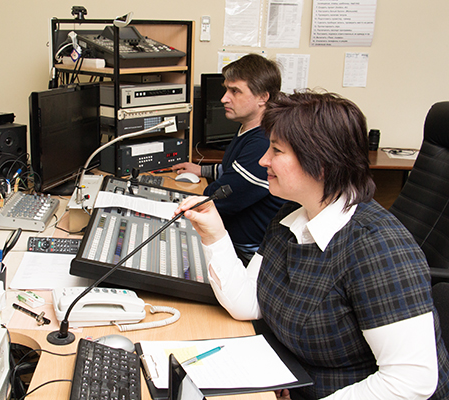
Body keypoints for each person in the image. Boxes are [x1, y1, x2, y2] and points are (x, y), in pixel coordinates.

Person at [175, 91, 449, 399]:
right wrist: (215, 234)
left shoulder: (377, 248)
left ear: (320, 163)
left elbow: (410, 381)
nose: (264, 159)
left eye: (276, 150)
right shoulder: (291, 213)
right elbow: (248, 302)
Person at [172, 54, 285, 263]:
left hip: (248, 253)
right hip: (234, 237)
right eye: (226, 89)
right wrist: (202, 170)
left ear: (263, 97)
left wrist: (184, 201)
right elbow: (231, 169)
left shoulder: (263, 142)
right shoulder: (248, 127)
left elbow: (217, 199)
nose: (224, 98)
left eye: (235, 91)